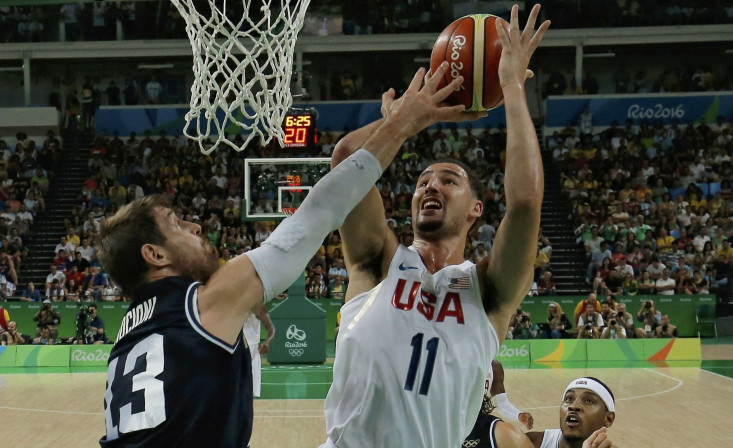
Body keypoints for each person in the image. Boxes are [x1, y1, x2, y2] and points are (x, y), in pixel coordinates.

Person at [97, 51, 477, 447]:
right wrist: (402, 123)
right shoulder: (206, 303)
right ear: (154, 256)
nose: (194, 225)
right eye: (176, 225)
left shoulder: (131, 334)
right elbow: (319, 211)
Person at [323, 6, 548, 447]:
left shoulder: (489, 291)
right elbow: (346, 161)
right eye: (424, 180)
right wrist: (408, 119)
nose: (432, 186)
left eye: (449, 180)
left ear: (475, 209)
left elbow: (524, 202)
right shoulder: (376, 265)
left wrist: (512, 87)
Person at [467, 377, 618, 448]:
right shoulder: (529, 442)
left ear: (609, 419)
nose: (574, 406)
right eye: (568, 399)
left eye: (589, 401)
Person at [243, 303, 275, 398]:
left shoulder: (256, 303)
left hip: (251, 349)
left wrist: (267, 342)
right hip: (230, 348)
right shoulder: (227, 300)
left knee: (247, 395)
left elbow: (271, 328)